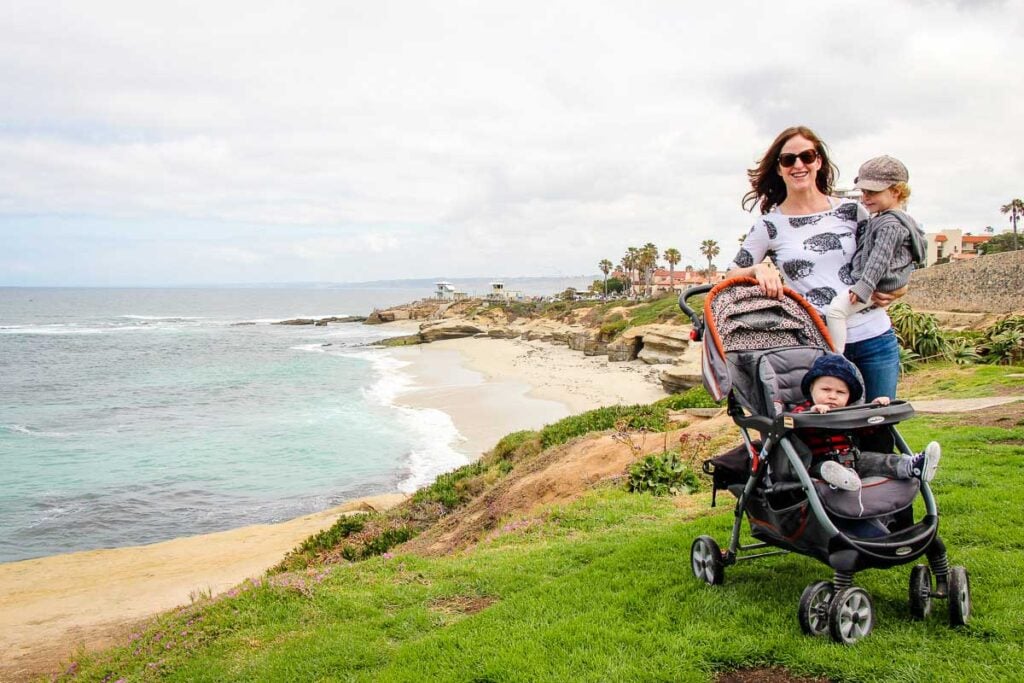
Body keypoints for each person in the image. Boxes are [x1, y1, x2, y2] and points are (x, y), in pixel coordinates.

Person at [727, 125, 904, 402]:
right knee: (828, 438)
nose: (799, 165)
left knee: (880, 430)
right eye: (788, 160)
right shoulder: (769, 226)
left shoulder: (852, 210)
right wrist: (758, 269)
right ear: (779, 169)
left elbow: (886, 254)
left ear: (818, 162)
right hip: (817, 346)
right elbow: (730, 276)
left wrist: (898, 287)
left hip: (875, 339)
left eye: (807, 156)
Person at [792, 354, 939, 492]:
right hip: (819, 463)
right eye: (825, 389)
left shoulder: (850, 413)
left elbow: (866, 431)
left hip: (855, 459)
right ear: (812, 389)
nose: (832, 396)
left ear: (849, 396)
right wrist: (812, 412)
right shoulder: (803, 410)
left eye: (840, 392)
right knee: (825, 468)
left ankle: (913, 466)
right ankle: (845, 478)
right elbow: (792, 423)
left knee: (880, 460)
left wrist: (875, 410)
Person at [826, 155, 927, 351]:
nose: (865, 198)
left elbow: (878, 260)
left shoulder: (890, 224)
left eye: (872, 192)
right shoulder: (885, 218)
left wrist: (864, 286)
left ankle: (836, 359)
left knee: (836, 311)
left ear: (896, 191)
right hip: (878, 282)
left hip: (878, 283)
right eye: (864, 192)